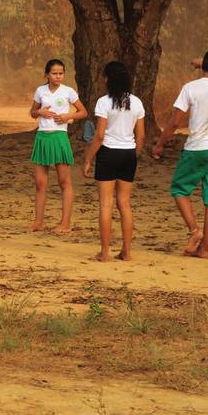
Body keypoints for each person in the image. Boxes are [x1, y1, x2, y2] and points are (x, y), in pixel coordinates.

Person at [152, 50, 208, 259]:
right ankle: (204, 249)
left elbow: (176, 122)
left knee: (179, 189)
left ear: (206, 67)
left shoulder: (190, 89)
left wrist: (160, 143)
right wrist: (201, 62)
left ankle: (195, 231)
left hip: (196, 148)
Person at [83, 62, 145, 262]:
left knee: (105, 205)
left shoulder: (104, 102)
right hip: (128, 154)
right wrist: (134, 154)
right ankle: (126, 251)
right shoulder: (136, 102)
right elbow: (141, 135)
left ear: (108, 79)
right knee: (125, 204)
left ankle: (105, 252)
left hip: (109, 152)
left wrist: (88, 159)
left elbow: (99, 135)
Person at [29, 58, 87, 233]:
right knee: (40, 183)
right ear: (47, 74)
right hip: (42, 137)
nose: (58, 76)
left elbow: (83, 112)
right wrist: (39, 112)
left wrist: (67, 117)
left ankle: (65, 223)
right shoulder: (40, 91)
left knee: (64, 181)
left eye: (61, 73)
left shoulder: (68, 92)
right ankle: (38, 222)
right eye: (54, 73)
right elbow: (32, 113)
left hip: (60, 137)